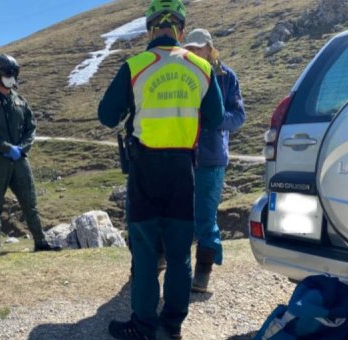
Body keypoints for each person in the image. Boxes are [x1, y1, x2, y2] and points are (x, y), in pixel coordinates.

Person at [98, 0, 225, 338]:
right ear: (180, 30)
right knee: (180, 252)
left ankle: (142, 326)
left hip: (145, 170)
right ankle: (172, 325)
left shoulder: (135, 66)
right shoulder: (201, 68)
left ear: (150, 28)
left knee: (144, 251)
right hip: (184, 170)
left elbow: (106, 115)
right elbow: (215, 118)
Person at [0, 54, 60, 256]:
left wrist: (22, 148)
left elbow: (31, 128)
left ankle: (41, 242)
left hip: (20, 160)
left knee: (30, 202)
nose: (13, 78)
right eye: (9, 73)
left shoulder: (20, 101)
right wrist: (6, 148)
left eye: (15, 73)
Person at [183, 28, 246, 293]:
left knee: (205, 217)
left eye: (199, 47)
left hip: (211, 158)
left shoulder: (226, 76)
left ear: (210, 48)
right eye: (191, 48)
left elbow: (238, 116)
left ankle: (203, 274)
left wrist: (216, 120)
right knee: (179, 215)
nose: (195, 52)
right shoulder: (184, 75)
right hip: (184, 155)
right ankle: (175, 266)